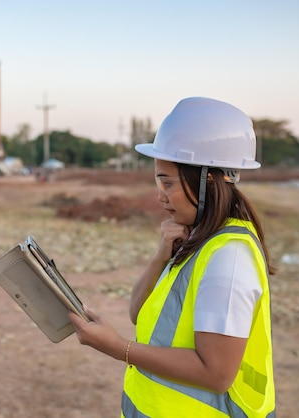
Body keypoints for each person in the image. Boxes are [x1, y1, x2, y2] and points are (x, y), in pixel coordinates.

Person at [68, 97, 276, 418]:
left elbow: (216, 374)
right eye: (158, 181)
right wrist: (160, 257)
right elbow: (139, 313)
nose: (159, 194)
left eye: (167, 182)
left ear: (206, 180)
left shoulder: (228, 259)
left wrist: (117, 347)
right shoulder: (196, 238)